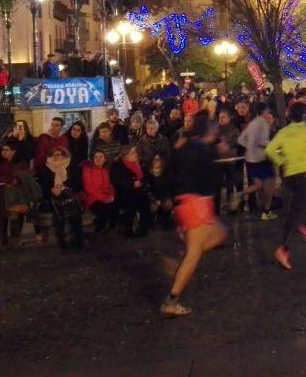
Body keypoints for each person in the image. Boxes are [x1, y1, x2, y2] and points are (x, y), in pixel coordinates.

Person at [161, 115, 228, 317]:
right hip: (196, 202)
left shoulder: (185, 147)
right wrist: (222, 154)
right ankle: (172, 300)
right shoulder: (205, 149)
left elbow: (168, 171)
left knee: (218, 234)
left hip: (186, 201)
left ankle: (181, 262)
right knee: (194, 252)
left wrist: (168, 198)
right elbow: (215, 177)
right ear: (209, 131)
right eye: (215, 129)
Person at [265, 104, 306, 269]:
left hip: (289, 174)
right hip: (304, 174)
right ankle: (283, 248)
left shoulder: (283, 131)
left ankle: (302, 225)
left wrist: (281, 161)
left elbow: (270, 150)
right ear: (304, 116)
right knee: (297, 211)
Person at [0, 142, 35, 249]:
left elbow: (25, 176)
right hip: (2, 195)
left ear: (13, 152)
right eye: (3, 150)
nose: (4, 153)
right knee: (1, 221)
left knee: (16, 220)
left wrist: (17, 180)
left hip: (16, 196)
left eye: (7, 150)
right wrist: (8, 180)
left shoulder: (21, 163)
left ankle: (15, 242)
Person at [36, 147, 83, 251]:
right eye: (54, 155)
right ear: (50, 156)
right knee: (58, 215)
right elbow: (43, 185)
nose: (56, 157)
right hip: (52, 196)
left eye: (59, 154)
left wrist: (64, 186)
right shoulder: (45, 168)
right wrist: (51, 190)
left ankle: (77, 242)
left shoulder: (71, 165)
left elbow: (77, 183)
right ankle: (62, 243)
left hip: (69, 194)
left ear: (64, 155)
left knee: (75, 215)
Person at [237, 104, 276, 220]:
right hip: (262, 158)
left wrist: (249, 148)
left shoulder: (251, 124)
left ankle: (240, 194)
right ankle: (266, 211)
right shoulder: (263, 124)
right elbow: (262, 141)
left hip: (250, 159)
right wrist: (272, 145)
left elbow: (241, 139)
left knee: (258, 184)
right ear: (263, 112)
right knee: (270, 183)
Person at [112, 145, 151, 237]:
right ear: (125, 155)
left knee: (145, 201)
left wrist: (142, 183)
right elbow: (116, 181)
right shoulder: (117, 166)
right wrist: (132, 183)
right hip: (124, 192)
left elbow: (146, 177)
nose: (136, 154)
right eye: (133, 153)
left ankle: (143, 227)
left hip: (139, 190)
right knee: (132, 203)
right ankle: (128, 229)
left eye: (135, 152)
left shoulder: (140, 164)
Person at [80, 149, 117, 234]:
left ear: (105, 159)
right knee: (102, 208)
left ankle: (110, 228)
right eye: (95, 157)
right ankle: (99, 229)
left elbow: (110, 185)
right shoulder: (87, 170)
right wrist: (104, 198)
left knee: (114, 205)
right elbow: (88, 188)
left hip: (106, 196)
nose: (98, 159)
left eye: (100, 157)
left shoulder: (106, 171)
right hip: (92, 198)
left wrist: (111, 196)